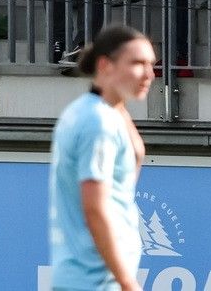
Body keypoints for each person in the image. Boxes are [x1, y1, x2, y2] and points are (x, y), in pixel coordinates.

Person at [47, 23, 155, 291]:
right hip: (94, 283)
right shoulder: (98, 121)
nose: (149, 74)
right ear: (106, 66)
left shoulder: (102, 110)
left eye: (151, 64)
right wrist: (128, 283)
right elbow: (95, 208)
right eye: (138, 63)